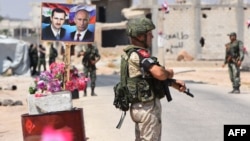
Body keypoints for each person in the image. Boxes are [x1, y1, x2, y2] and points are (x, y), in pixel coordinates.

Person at [124, 17, 186, 140]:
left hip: (139, 107)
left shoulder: (131, 54)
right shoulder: (139, 54)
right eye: (149, 34)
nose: (152, 37)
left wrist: (173, 83)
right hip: (146, 108)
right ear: (140, 36)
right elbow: (159, 73)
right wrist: (169, 73)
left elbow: (148, 78)